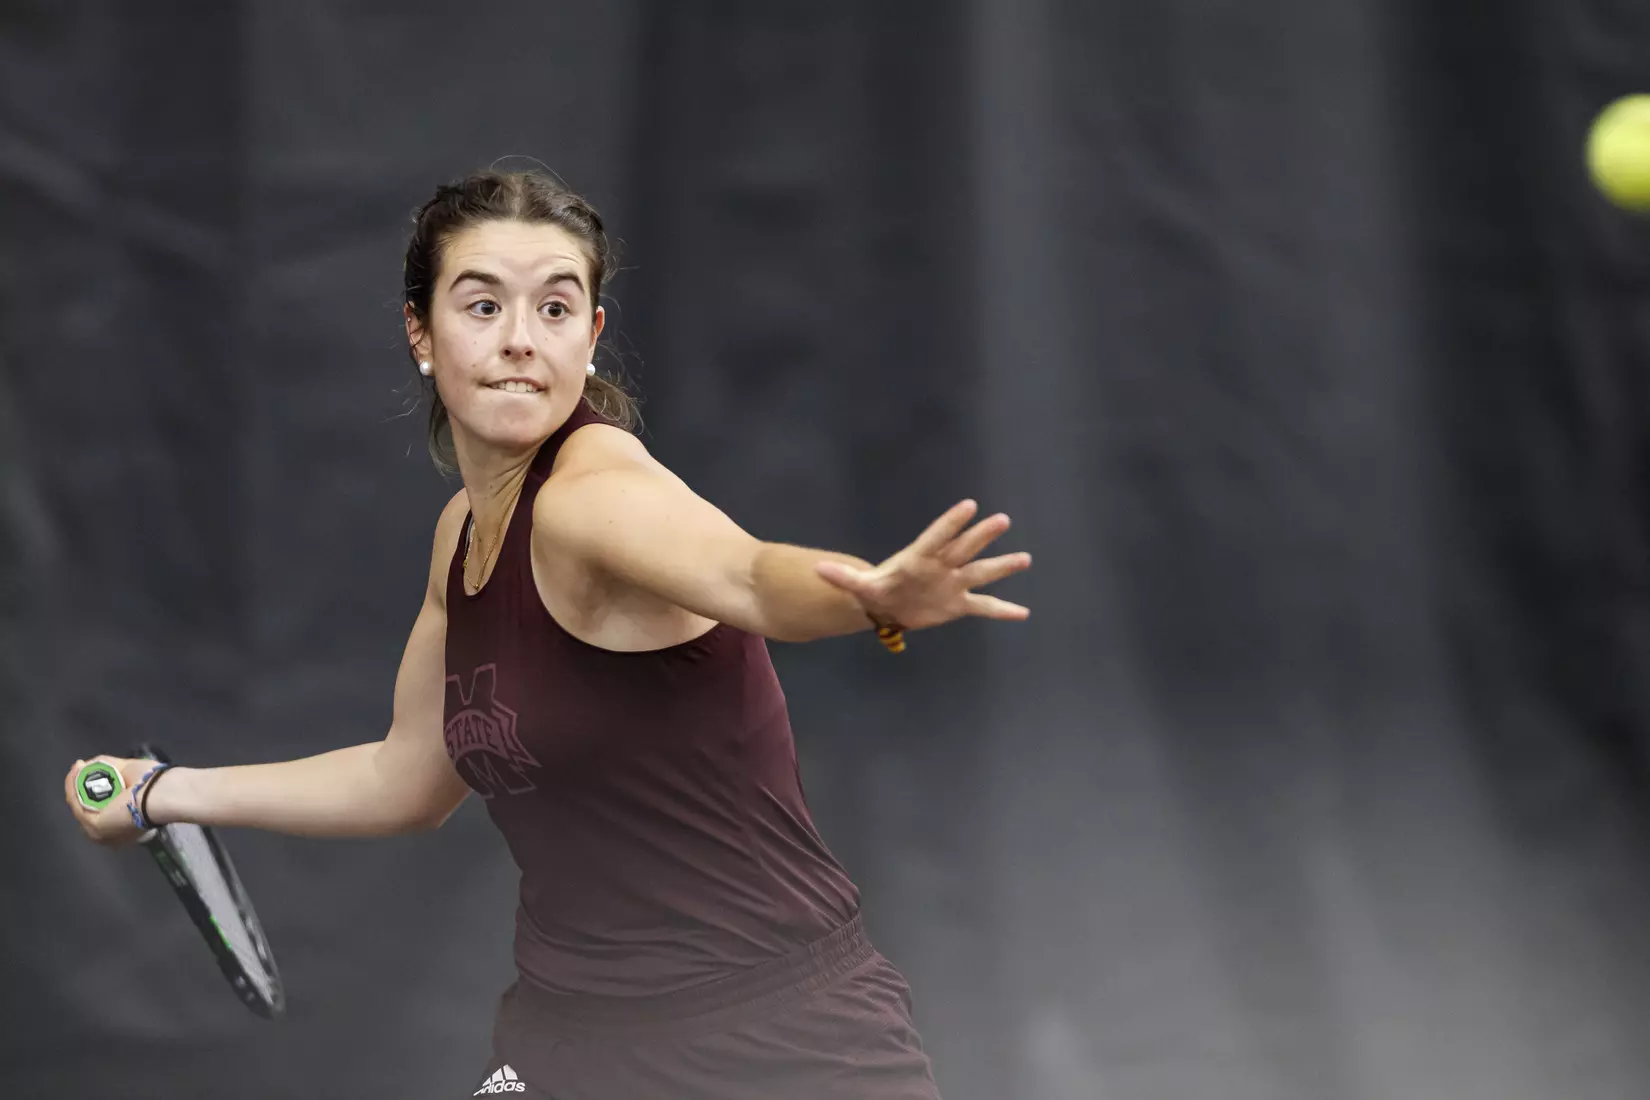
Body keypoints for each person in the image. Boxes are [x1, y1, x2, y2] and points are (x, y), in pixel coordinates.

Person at [62, 169, 1031, 1099]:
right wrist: (162, 793)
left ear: (592, 335)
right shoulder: (461, 538)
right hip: (571, 1037)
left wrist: (874, 595)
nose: (521, 338)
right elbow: (404, 777)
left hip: (777, 1039)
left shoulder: (592, 497)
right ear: (421, 333)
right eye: (482, 306)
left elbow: (749, 576)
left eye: (556, 308)